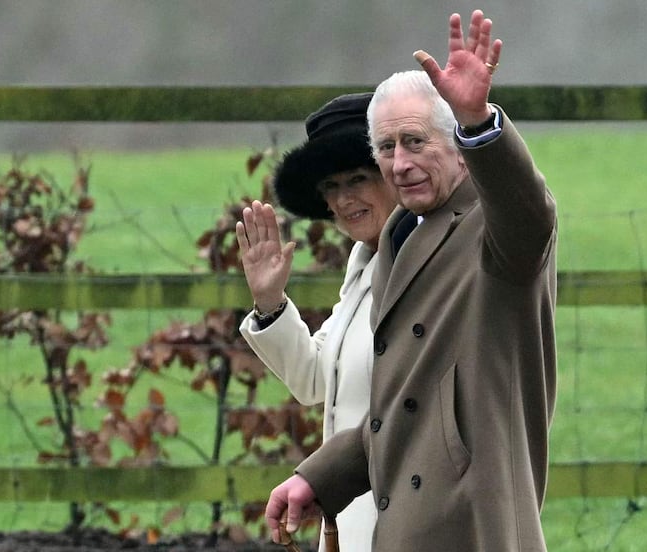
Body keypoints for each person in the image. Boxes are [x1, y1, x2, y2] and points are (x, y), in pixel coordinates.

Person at [264, 9, 558, 551]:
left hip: (476, 529)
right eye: (386, 148)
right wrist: (320, 477)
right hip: (401, 530)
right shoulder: (398, 236)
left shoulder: (496, 230)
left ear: (457, 147)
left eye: (416, 142)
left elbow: (529, 214)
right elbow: (405, 407)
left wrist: (479, 124)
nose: (399, 163)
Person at [235, 92, 398, 552]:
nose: (343, 199)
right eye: (331, 187)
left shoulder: (424, 260)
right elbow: (315, 380)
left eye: (357, 179)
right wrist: (269, 301)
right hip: (352, 515)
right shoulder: (364, 263)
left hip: (407, 515)